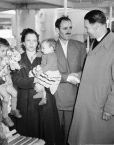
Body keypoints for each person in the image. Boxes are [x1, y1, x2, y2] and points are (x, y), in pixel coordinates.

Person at [68, 10, 114, 145]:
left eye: (87, 27)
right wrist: (79, 75)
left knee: (97, 139)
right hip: (89, 102)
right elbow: (98, 70)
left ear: (97, 26)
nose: (86, 30)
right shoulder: (96, 42)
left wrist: (110, 108)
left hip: (100, 105)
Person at [11, 28, 62, 145]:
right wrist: (34, 81)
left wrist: (46, 85)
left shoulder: (46, 55)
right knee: (28, 136)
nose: (31, 43)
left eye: (34, 40)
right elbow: (16, 79)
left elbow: (54, 75)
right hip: (25, 101)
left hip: (45, 100)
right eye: (28, 40)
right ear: (23, 43)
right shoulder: (16, 59)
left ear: (38, 42)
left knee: (47, 134)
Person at [54, 16, 87, 145]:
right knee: (56, 132)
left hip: (75, 96)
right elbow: (47, 71)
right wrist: (67, 77)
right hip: (55, 96)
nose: (68, 31)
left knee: (71, 133)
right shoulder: (49, 47)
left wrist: (79, 74)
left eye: (70, 28)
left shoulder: (80, 46)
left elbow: (86, 68)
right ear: (57, 30)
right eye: (65, 28)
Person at [0, 38, 22, 128]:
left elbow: (9, 70)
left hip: (7, 83)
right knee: (6, 97)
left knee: (15, 93)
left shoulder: (5, 58)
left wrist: (13, 65)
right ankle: (5, 116)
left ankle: (13, 110)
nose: (5, 53)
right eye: (3, 51)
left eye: (6, 50)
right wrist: (1, 65)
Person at [29, 38, 61, 105]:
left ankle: (44, 97)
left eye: (43, 48)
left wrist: (40, 71)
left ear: (51, 48)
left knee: (41, 80)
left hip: (50, 72)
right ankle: (42, 95)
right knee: (40, 81)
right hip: (44, 69)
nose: (42, 50)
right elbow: (40, 53)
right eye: (41, 48)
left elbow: (49, 66)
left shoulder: (52, 56)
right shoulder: (45, 53)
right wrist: (35, 55)